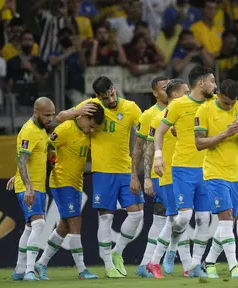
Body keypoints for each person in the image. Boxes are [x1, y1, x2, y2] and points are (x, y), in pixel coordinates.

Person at [56, 76, 143, 278]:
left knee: (137, 213)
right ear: (97, 96)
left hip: (125, 170)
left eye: (112, 94)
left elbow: (146, 128)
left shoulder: (130, 107)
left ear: (114, 88)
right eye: (105, 98)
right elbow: (60, 117)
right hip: (102, 171)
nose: (110, 100)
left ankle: (117, 252)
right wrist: (78, 111)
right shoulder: (91, 106)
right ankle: (108, 266)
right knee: (105, 219)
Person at [150, 66, 216, 278]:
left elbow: (236, 101)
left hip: (205, 169)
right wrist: (158, 156)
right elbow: (160, 131)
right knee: (183, 217)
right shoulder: (178, 105)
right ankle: (159, 256)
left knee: (204, 218)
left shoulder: (211, 104)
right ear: (201, 83)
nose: (215, 86)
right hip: (183, 168)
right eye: (212, 81)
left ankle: (194, 264)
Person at [34, 103, 105, 280]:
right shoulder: (66, 128)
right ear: (83, 117)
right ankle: (82, 270)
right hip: (61, 181)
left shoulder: (85, 132)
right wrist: (51, 164)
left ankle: (41, 263)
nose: (90, 131)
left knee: (65, 226)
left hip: (76, 183)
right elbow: (45, 146)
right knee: (75, 222)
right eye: (90, 126)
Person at [195, 79, 238, 278]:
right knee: (227, 219)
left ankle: (209, 262)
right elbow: (199, 143)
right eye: (226, 103)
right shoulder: (204, 111)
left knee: (228, 223)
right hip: (214, 172)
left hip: (236, 174)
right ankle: (234, 266)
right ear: (218, 94)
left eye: (233, 103)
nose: (230, 107)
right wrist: (226, 133)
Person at [144, 78, 192, 278]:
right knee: (177, 217)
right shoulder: (159, 119)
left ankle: (169, 256)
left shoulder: (189, 113)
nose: (189, 95)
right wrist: (147, 176)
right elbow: (149, 147)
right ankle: (170, 261)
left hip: (186, 172)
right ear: (175, 95)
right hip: (169, 175)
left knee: (180, 217)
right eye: (185, 92)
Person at [11, 97, 55, 281]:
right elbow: (21, 160)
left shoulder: (41, 131)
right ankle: (30, 270)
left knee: (29, 227)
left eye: (52, 115)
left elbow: (28, 160)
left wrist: (17, 175)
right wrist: (27, 186)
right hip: (30, 188)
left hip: (38, 186)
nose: (50, 119)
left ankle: (19, 270)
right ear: (36, 112)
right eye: (46, 115)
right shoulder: (29, 130)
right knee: (39, 224)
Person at [131, 76, 169, 277]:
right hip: (159, 174)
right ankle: (147, 263)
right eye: (164, 88)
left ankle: (187, 261)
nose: (167, 90)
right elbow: (140, 148)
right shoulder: (149, 116)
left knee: (178, 217)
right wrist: (138, 176)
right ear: (155, 93)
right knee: (163, 217)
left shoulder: (181, 109)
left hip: (182, 172)